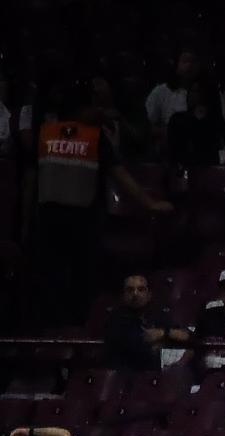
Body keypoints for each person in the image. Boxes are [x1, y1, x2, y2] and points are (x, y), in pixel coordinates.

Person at [31, 80, 174, 325]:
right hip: (81, 223)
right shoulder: (92, 137)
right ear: (80, 109)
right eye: (93, 106)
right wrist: (150, 204)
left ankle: (53, 334)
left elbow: (30, 179)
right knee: (80, 283)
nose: (98, 111)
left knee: (51, 281)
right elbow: (120, 175)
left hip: (48, 220)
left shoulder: (45, 132)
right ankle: (75, 331)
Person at [104, 275, 191, 371]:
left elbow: (188, 336)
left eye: (141, 289)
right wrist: (161, 341)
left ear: (149, 294)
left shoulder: (158, 315)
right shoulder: (115, 320)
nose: (135, 294)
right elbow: (137, 348)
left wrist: (163, 333)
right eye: (130, 290)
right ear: (123, 295)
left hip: (158, 377)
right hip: (126, 376)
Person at [145, 49, 200, 147]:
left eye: (193, 62)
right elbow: (147, 125)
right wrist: (168, 132)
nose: (189, 65)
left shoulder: (207, 90)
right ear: (176, 64)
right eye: (185, 61)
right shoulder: (161, 91)